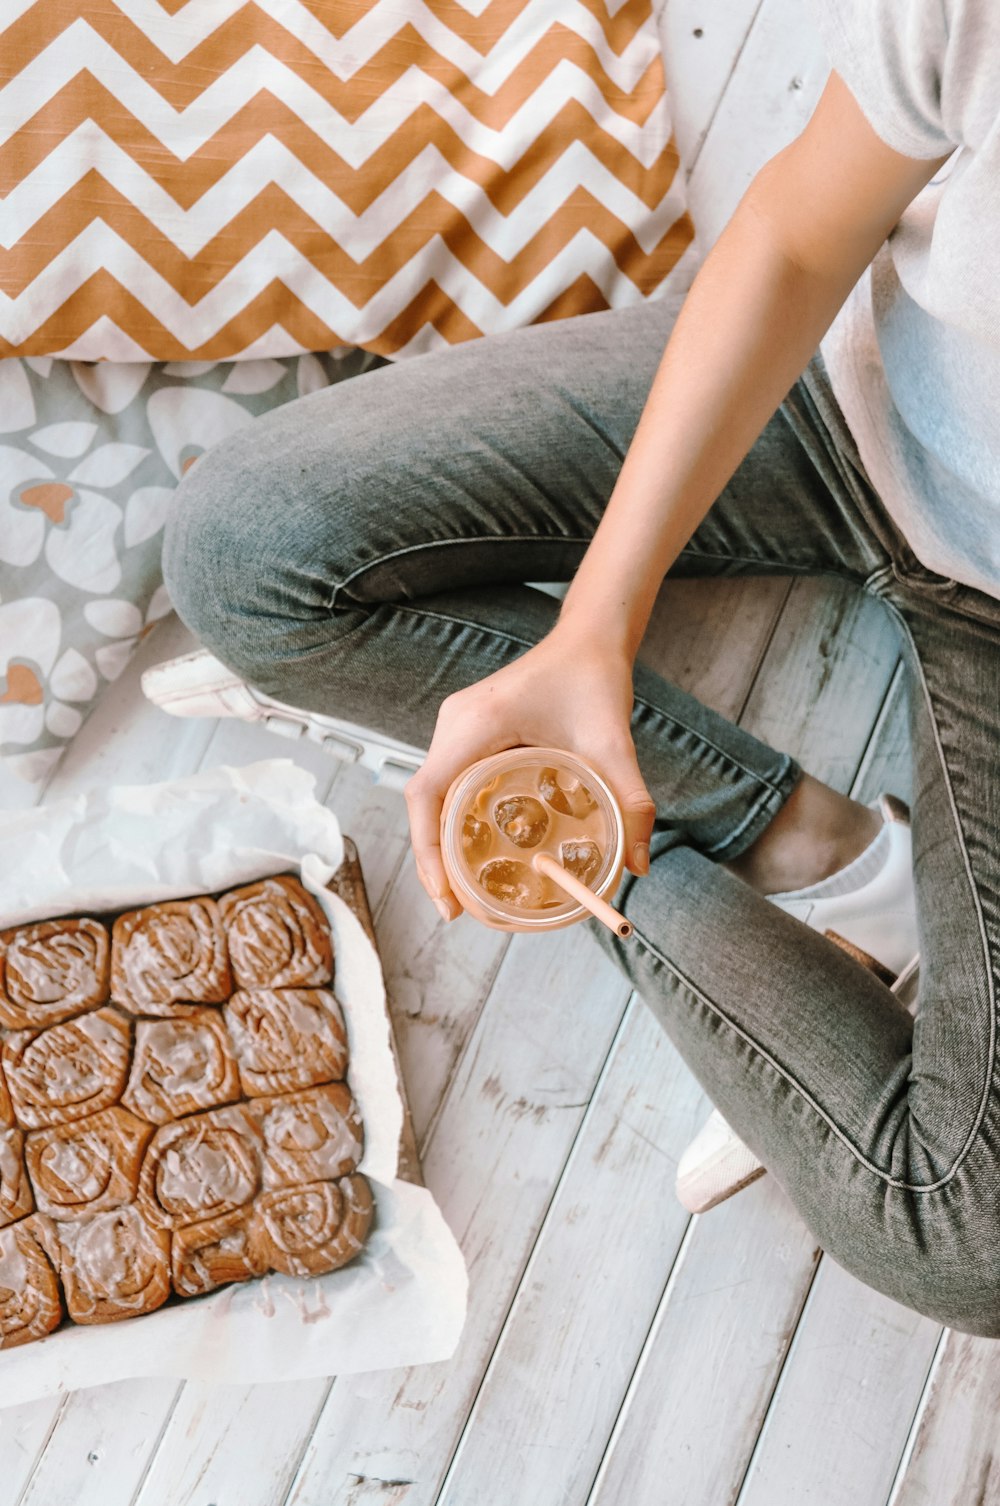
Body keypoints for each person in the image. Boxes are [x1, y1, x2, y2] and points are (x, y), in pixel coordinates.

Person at [162, 0, 1000, 1336]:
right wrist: (594, 626)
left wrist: (554, 833)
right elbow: (798, 232)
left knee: (970, 1242)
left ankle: (591, 837)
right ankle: (824, 856)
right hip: (842, 394)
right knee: (242, 551)